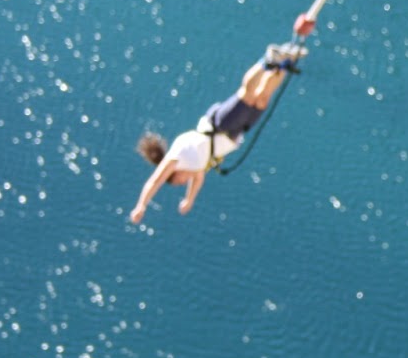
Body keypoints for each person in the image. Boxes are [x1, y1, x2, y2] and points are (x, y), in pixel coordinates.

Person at [128, 38, 307, 223]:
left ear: (175, 174)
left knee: (247, 95)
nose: (183, 182)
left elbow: (154, 181)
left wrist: (141, 205)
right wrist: (189, 199)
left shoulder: (175, 158)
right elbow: (197, 181)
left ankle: (267, 61)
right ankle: (283, 64)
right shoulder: (197, 167)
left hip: (219, 125)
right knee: (262, 99)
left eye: (179, 182)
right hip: (234, 133)